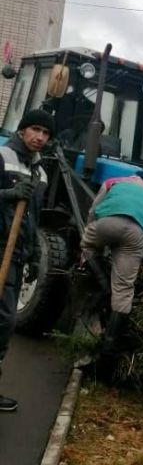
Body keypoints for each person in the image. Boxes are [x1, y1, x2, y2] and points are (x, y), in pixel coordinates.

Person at [0, 109, 54, 412]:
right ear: (22, 130)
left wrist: (34, 252)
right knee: (5, 319)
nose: (40, 137)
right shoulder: (2, 156)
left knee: (3, 323)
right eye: (35, 130)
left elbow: (34, 217)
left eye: (46, 134)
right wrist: (8, 193)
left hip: (18, 253)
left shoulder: (41, 173)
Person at [81, 174, 143, 352]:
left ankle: (103, 285)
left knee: (88, 247)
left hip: (106, 224)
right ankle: (108, 350)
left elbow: (93, 211)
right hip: (135, 233)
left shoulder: (112, 183)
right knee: (124, 290)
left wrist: (90, 231)